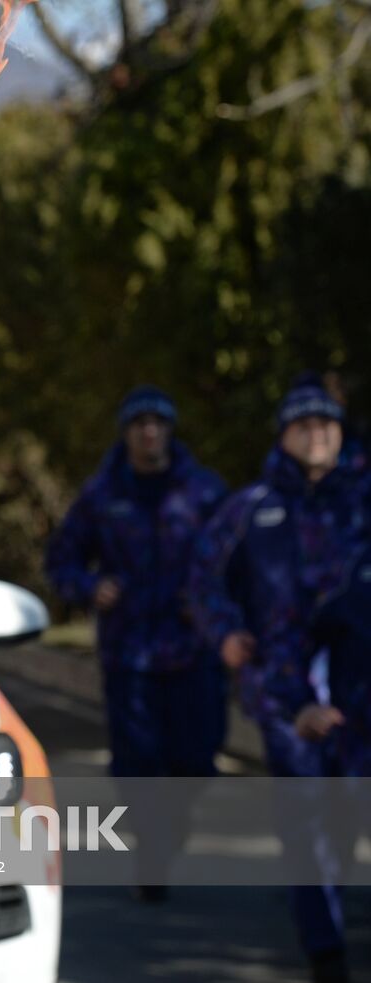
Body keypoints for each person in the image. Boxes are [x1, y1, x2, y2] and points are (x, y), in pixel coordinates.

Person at [189, 374, 367, 983]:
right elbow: (204, 580)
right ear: (285, 435)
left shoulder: (361, 501)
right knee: (304, 813)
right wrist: (225, 633)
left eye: (327, 424)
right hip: (281, 687)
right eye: (304, 425)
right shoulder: (251, 508)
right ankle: (325, 948)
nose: (317, 434)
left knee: (345, 812)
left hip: (356, 691)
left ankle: (325, 898)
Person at [45, 385, 227, 897]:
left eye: (158, 423)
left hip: (192, 652)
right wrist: (89, 587)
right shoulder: (103, 496)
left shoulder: (205, 492)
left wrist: (212, 602)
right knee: (138, 767)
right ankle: (152, 850)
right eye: (139, 424)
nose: (149, 432)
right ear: (127, 433)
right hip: (130, 655)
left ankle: (170, 827)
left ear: (169, 430)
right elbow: (61, 560)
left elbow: (238, 560)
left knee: (195, 761)